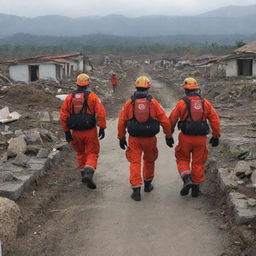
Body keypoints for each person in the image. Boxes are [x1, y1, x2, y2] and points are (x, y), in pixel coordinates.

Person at [118, 76, 173, 201]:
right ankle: (147, 185)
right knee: (149, 161)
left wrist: (121, 137)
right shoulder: (153, 102)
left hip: (134, 139)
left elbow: (121, 122)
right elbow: (164, 120)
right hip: (150, 138)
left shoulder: (129, 103)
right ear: (148, 88)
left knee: (135, 162)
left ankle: (136, 189)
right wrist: (168, 136)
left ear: (136, 87)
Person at [169, 77, 220, 197]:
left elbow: (172, 119)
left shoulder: (181, 103)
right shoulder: (205, 102)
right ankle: (196, 190)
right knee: (198, 162)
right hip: (200, 139)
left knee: (182, 159)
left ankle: (187, 179)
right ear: (197, 89)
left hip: (185, 137)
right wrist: (216, 135)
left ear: (185, 90)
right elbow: (214, 119)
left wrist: (169, 134)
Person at [60, 73, 106, 189]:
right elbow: (101, 113)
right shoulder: (92, 97)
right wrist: (102, 127)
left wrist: (66, 132)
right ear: (88, 84)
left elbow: (63, 116)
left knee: (80, 153)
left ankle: (83, 174)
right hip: (90, 131)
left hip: (75, 132)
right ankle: (88, 173)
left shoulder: (69, 98)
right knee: (92, 153)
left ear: (77, 84)